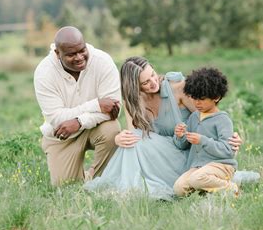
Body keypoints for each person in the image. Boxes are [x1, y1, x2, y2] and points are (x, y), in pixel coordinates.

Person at [84, 57, 250, 199]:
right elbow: (133, 133)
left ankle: (136, 187)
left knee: (138, 140)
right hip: (156, 156)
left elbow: (209, 115)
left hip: (185, 151)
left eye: (153, 75)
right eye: (145, 82)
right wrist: (119, 137)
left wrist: (231, 135)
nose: (153, 82)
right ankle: (130, 187)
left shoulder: (177, 87)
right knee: (132, 140)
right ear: (134, 86)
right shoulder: (132, 101)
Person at [34, 26, 121, 186]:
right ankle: (85, 178)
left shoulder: (103, 61)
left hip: (97, 127)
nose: (80, 57)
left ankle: (100, 181)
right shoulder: (44, 72)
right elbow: (56, 118)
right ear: (57, 53)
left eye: (82, 50)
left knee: (112, 130)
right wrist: (97, 104)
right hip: (62, 135)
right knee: (67, 187)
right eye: (71, 54)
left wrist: (79, 122)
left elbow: (113, 109)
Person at [173, 67, 238, 197]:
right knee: (178, 189)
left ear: (216, 97)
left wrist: (202, 140)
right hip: (197, 168)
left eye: (202, 99)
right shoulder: (194, 117)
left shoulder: (222, 119)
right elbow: (183, 145)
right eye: (194, 98)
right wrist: (180, 136)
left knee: (196, 179)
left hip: (221, 166)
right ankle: (208, 193)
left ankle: (232, 188)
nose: (196, 103)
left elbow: (228, 150)